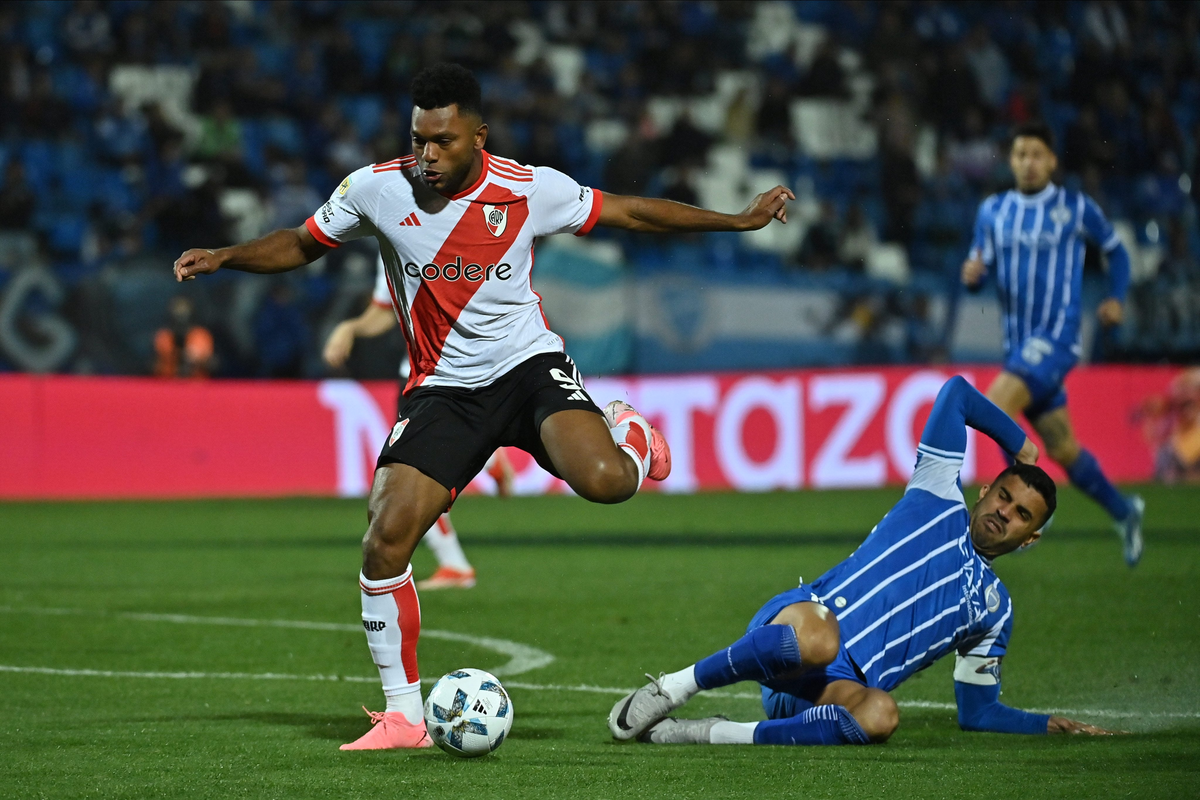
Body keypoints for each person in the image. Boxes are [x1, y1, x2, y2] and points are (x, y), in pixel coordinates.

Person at [173, 63, 794, 751]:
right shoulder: (376, 189)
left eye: (442, 140)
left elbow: (632, 211)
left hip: (528, 369)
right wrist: (226, 256)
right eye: (418, 139)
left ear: (477, 135)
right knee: (384, 539)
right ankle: (404, 717)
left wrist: (737, 220)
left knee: (608, 483)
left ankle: (630, 435)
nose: (427, 155)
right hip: (443, 391)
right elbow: (299, 242)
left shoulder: (530, 190)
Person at [609, 376, 1123, 746]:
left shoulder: (996, 609)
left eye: (1021, 516)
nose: (1003, 513)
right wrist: (1021, 444)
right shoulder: (938, 494)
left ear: (1029, 539)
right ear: (986, 489)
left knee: (880, 715)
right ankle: (674, 687)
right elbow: (958, 394)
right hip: (797, 624)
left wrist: (1044, 724)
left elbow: (978, 710)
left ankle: (709, 733)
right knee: (820, 637)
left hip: (826, 691)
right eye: (1003, 498)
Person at [961, 121, 1143, 567]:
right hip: (1019, 345)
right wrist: (973, 276)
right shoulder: (994, 211)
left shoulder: (1075, 208)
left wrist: (1116, 298)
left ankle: (1023, 504)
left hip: (1057, 338)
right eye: (1020, 154)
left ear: (1052, 161)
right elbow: (977, 265)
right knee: (1063, 449)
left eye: (1036, 154)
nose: (1028, 162)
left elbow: (1116, 251)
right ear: (1011, 160)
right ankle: (1125, 511)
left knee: (994, 405)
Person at [323, 256, 518, 590]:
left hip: (470, 373)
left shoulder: (466, 241)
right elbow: (384, 311)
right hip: (420, 378)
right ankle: (486, 465)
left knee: (415, 478)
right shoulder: (394, 249)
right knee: (419, 476)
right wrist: (351, 327)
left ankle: (455, 564)